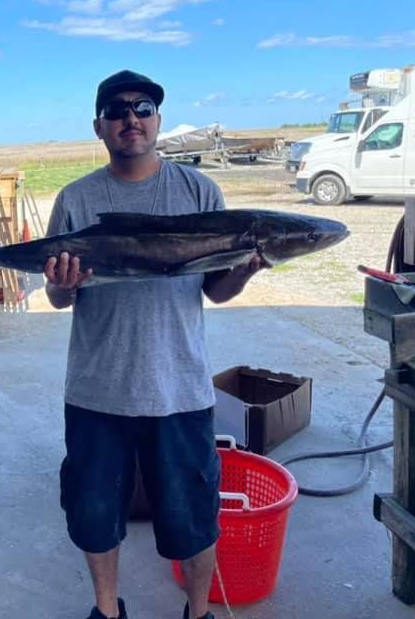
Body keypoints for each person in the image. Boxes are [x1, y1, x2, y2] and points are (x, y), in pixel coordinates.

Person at [43, 71, 265, 619]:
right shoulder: (76, 198)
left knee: (193, 516)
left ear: (158, 120)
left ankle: (197, 610)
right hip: (98, 390)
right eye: (116, 111)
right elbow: (56, 296)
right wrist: (61, 284)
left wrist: (245, 272)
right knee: (93, 514)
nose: (131, 119)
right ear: (100, 127)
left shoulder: (199, 192)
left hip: (180, 390)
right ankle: (106, 609)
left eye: (142, 107)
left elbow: (216, 289)